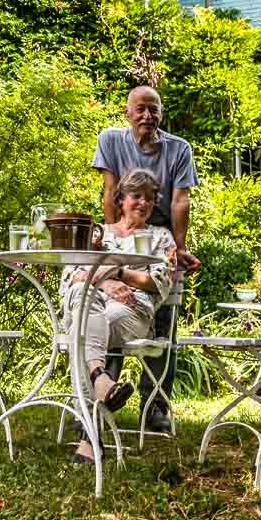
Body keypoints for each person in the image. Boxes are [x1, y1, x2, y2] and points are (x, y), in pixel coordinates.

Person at [92, 86, 200, 433]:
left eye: (153, 109)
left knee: (164, 323)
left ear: (161, 114)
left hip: (159, 239)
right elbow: (109, 192)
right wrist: (112, 241)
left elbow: (180, 201)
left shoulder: (179, 149)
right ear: (128, 113)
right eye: (140, 109)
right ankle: (102, 397)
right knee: (110, 308)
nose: (147, 116)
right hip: (121, 233)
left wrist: (179, 248)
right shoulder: (111, 140)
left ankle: (155, 405)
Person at [61, 168, 177, 464]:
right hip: (93, 303)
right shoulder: (97, 233)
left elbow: (160, 281)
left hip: (133, 311)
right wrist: (107, 283)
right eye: (136, 196)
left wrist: (118, 272)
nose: (143, 203)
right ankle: (101, 381)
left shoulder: (160, 237)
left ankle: (91, 424)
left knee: (82, 328)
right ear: (121, 199)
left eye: (150, 199)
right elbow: (70, 275)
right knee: (81, 299)